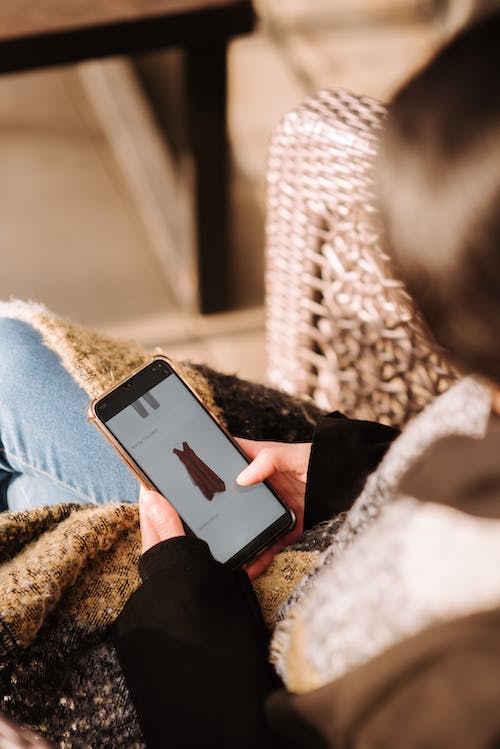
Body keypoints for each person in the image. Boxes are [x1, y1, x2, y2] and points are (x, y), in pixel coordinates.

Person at [0, 8, 499, 748]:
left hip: (225, 668)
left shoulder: (464, 681)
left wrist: (181, 594)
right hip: (327, 523)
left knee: (23, 490)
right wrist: (329, 471)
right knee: (12, 365)